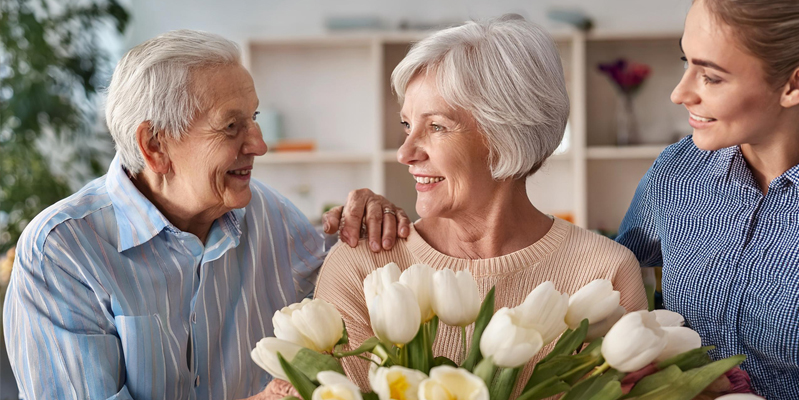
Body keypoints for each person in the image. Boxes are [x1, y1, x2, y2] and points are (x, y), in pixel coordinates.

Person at [2, 29, 407, 400]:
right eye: (232, 126)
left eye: (255, 119)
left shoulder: (272, 217)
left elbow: (344, 290)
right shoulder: (61, 252)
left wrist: (369, 221)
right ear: (155, 146)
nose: (260, 145)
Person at [315, 14, 647, 396]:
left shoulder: (604, 272)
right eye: (407, 125)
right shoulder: (365, 262)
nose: (404, 152)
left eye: (436, 126)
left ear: (508, 133)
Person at [615, 0, 799, 398]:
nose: (679, 93)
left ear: (796, 84)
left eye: (711, 77)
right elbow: (610, 274)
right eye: (686, 61)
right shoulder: (677, 172)